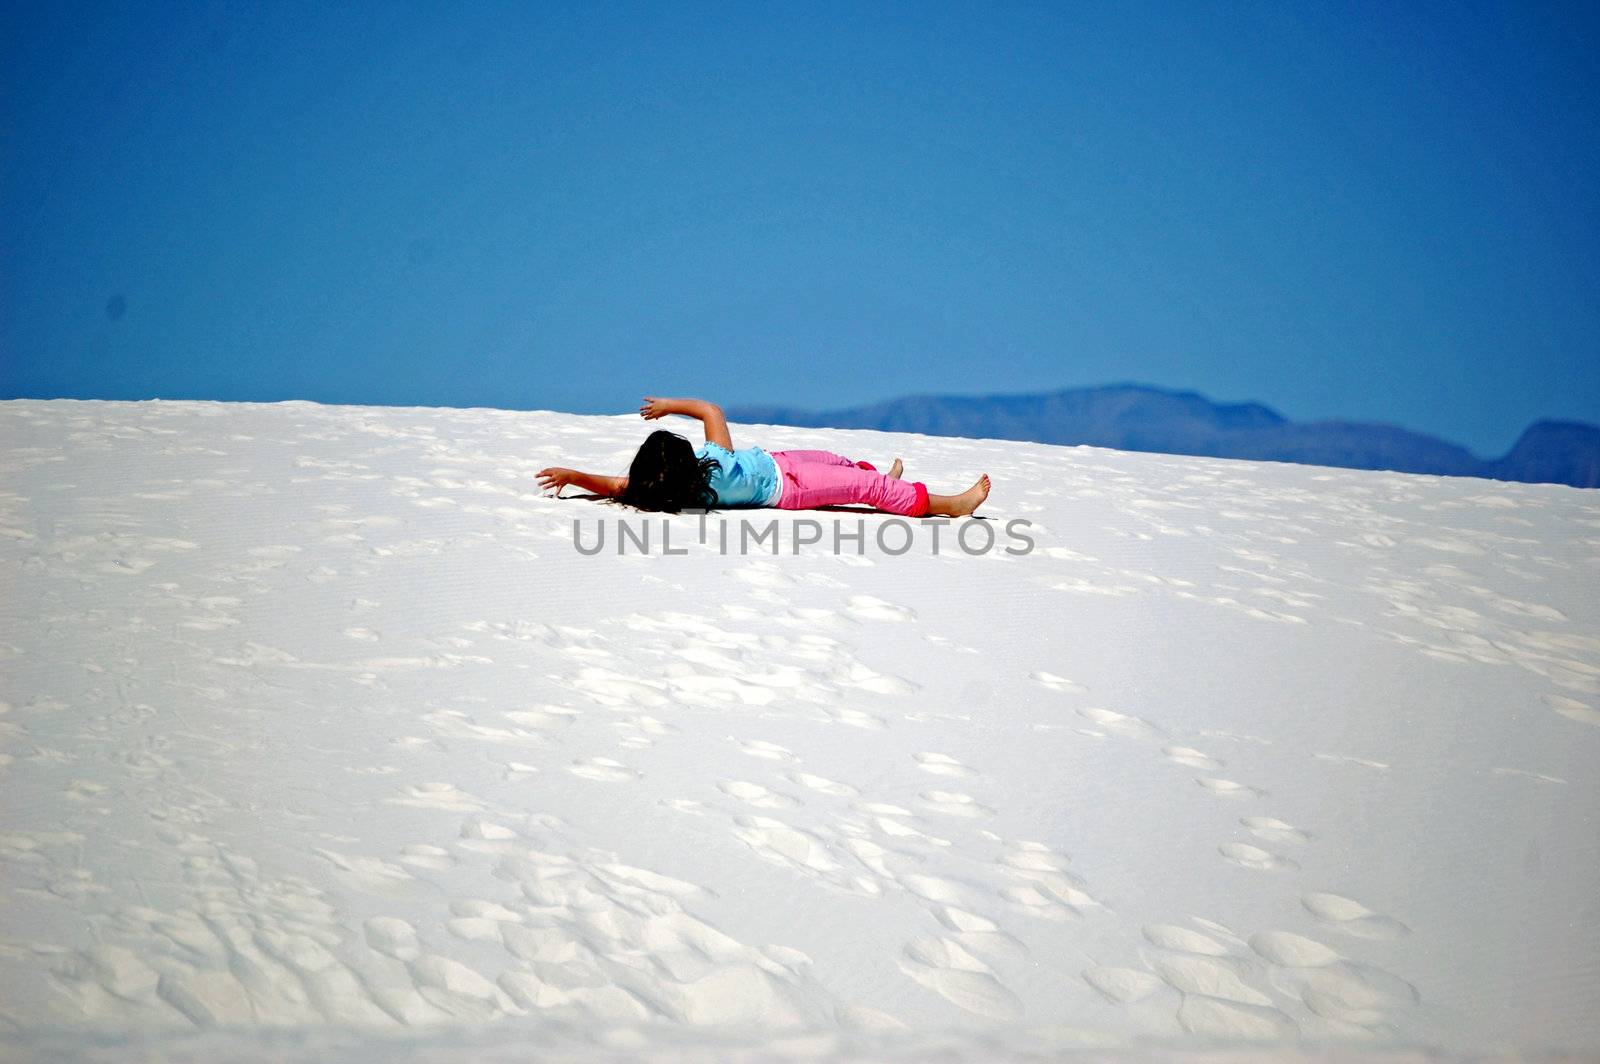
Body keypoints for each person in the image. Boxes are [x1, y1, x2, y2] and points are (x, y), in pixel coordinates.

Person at [537, 397, 989, 517]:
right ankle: (951, 505)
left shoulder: (690, 473)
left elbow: (615, 486)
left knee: (843, 464)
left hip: (780, 459)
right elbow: (711, 410)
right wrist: (670, 407)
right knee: (862, 488)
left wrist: (574, 475)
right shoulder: (705, 475)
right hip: (787, 488)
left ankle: (890, 483)